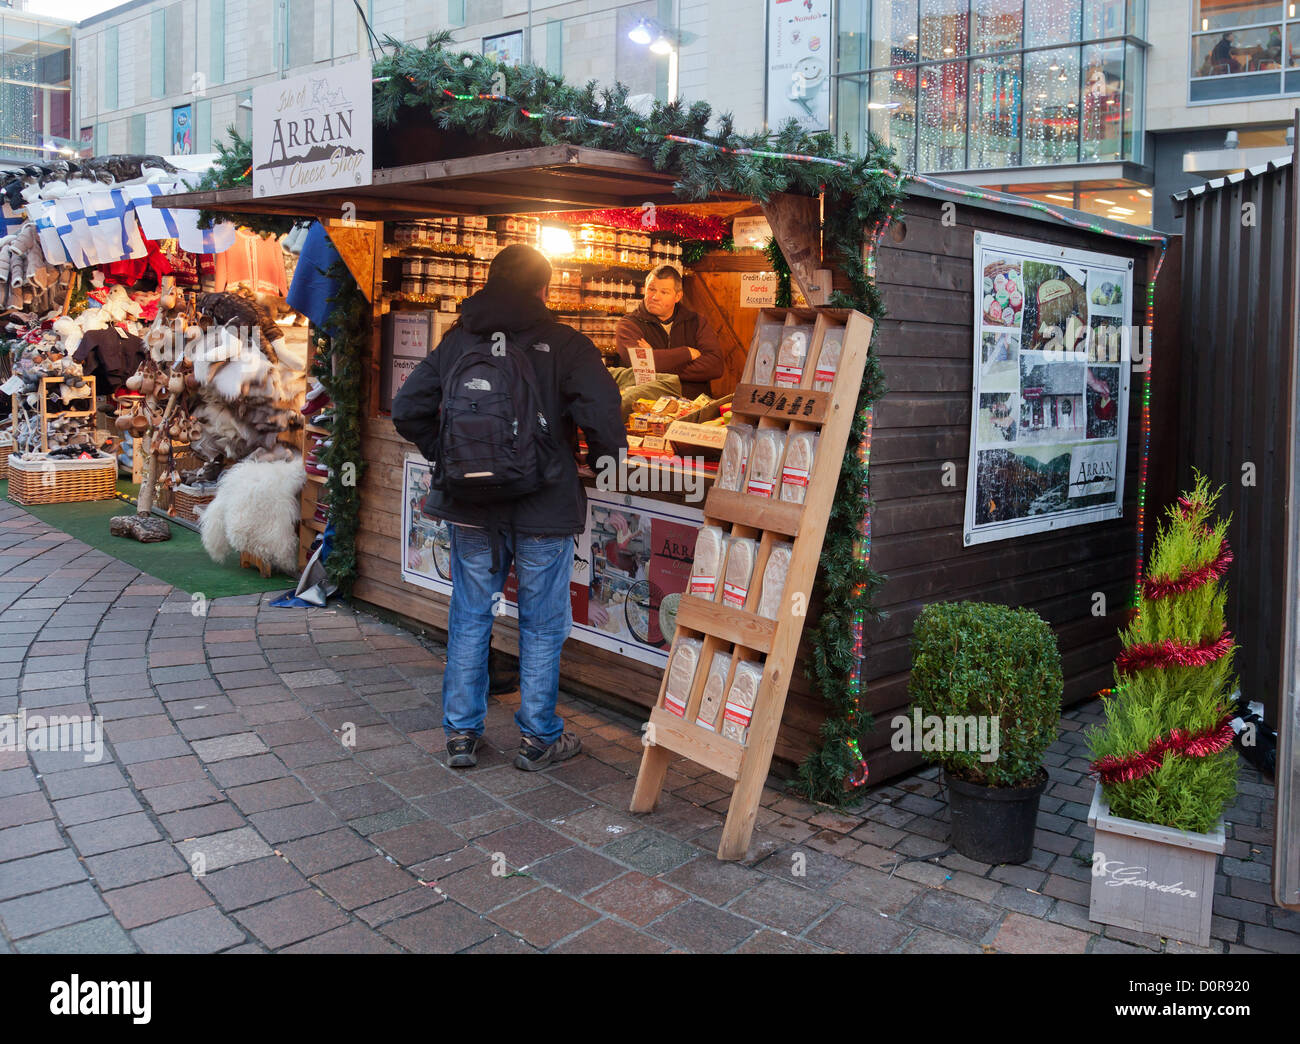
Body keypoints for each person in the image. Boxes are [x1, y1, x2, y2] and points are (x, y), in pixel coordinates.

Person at [392, 244, 626, 771]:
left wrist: (451, 456)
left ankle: (461, 735)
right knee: (542, 623)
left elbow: (408, 409)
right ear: (544, 290)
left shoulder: (458, 341)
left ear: (489, 283)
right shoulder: (566, 344)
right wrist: (606, 464)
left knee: (470, 613)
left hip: (471, 506)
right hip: (543, 506)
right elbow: (604, 417)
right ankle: (539, 737)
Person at [614, 265, 724, 399]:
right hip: (648, 407)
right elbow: (638, 363)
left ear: (678, 296)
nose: (655, 297)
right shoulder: (628, 325)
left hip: (693, 407)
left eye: (664, 292)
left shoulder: (696, 322)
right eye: (651, 289)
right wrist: (685, 353)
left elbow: (715, 367)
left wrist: (655, 361)